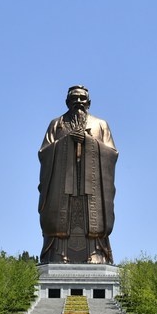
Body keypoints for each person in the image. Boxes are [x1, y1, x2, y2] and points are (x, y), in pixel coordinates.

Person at [38, 85, 118, 264]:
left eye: (82, 98)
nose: (79, 102)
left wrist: (88, 142)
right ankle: (59, 254)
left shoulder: (100, 124)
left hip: (92, 186)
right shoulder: (56, 124)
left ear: (89, 102)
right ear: (67, 102)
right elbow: (44, 152)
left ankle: (96, 254)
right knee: (61, 217)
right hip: (62, 185)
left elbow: (112, 153)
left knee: (92, 218)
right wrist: (66, 142)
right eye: (74, 98)